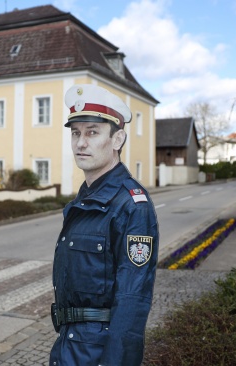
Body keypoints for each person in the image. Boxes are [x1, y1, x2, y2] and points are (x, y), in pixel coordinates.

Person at [49, 84, 159, 366]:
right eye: (76, 133)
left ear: (117, 139)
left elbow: (132, 300)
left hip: (98, 354)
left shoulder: (131, 205)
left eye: (92, 132)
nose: (80, 143)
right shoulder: (85, 200)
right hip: (69, 346)